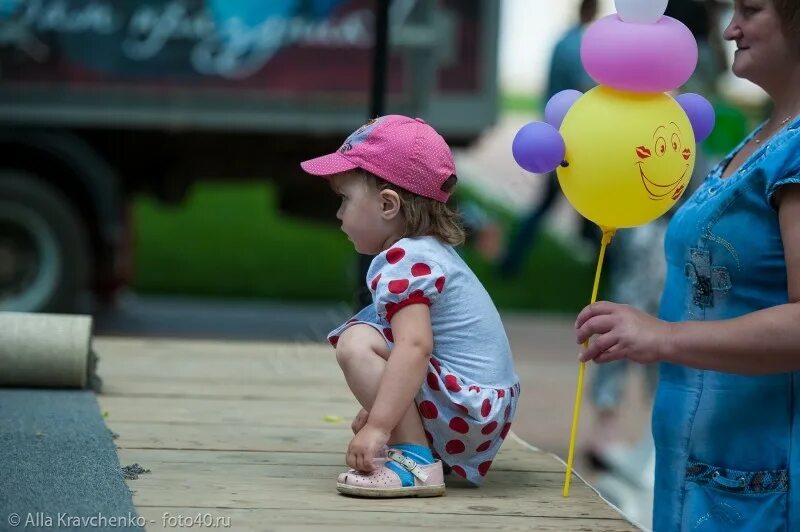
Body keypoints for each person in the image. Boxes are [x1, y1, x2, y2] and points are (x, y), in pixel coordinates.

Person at [574, 0, 800, 529]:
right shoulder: (762, 138)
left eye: (752, 9)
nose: (730, 28)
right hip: (705, 480)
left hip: (761, 488)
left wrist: (661, 337)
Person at [300, 115, 520, 497]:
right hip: (479, 408)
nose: (338, 214)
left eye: (345, 200)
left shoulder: (404, 260)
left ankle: (415, 461)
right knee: (371, 333)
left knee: (357, 343)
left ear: (388, 204)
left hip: (468, 407)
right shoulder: (428, 252)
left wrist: (381, 426)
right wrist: (385, 407)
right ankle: (417, 446)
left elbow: (416, 347)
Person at [498, 0, 598, 277]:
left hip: (555, 131)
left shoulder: (561, 42)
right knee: (565, 203)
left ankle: (511, 261)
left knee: (569, 204)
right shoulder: (579, 46)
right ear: (591, 12)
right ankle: (510, 262)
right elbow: (585, 87)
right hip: (572, 138)